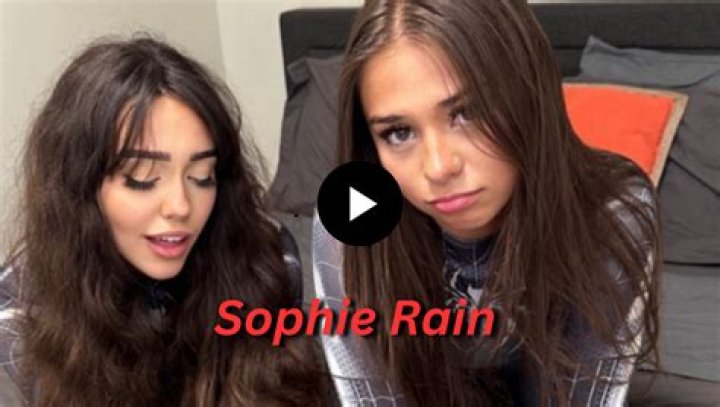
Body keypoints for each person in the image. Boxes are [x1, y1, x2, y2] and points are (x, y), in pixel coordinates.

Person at [313, 0, 661, 405]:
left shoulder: (613, 214)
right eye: (399, 133)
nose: (439, 167)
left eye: (467, 113)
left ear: (528, 93)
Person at [0, 36, 324, 406]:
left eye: (201, 176)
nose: (180, 207)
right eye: (142, 179)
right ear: (79, 188)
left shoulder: (266, 257)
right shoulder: (21, 314)